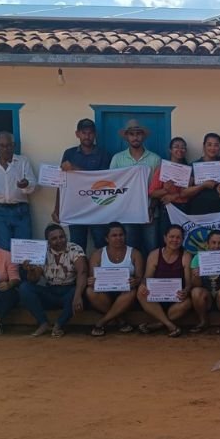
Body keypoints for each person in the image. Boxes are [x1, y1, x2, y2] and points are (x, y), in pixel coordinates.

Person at [19, 223, 88, 337]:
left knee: (81, 291)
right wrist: (30, 270)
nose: (59, 240)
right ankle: (43, 323)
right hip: (50, 291)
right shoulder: (41, 251)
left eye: (62, 236)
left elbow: (82, 272)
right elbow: (34, 280)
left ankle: (58, 325)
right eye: (54, 238)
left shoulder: (75, 248)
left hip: (69, 290)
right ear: (48, 241)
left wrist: (78, 296)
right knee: (25, 288)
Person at [55, 118, 112, 251]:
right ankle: (79, 272)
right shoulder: (69, 153)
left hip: (98, 207)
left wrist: (75, 168)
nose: (87, 136)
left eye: (90, 133)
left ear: (95, 134)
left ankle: (99, 271)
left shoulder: (104, 154)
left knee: (101, 244)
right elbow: (61, 182)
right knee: (77, 246)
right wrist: (57, 207)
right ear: (77, 134)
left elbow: (102, 181)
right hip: (76, 207)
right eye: (84, 133)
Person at [109, 119, 162, 256]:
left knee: (151, 248)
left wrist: (151, 208)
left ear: (143, 136)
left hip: (149, 211)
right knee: (129, 249)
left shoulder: (155, 159)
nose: (135, 137)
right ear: (127, 137)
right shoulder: (118, 159)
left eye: (138, 134)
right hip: (126, 213)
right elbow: (112, 185)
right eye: (131, 134)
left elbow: (158, 187)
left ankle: (148, 277)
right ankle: (133, 277)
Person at [0, 131, 36, 252]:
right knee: (3, 250)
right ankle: (8, 272)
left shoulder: (23, 161)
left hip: (21, 210)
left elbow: (33, 185)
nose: (6, 149)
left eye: (9, 145)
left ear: (14, 145)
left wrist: (26, 184)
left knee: (24, 249)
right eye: (2, 146)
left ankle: (22, 272)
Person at [85, 222, 144, 336]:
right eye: (114, 235)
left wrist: (135, 281)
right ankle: (120, 320)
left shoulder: (135, 253)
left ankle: (102, 322)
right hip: (105, 294)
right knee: (89, 291)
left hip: (125, 293)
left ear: (125, 236)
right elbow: (92, 279)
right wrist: (91, 281)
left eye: (121, 235)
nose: (118, 238)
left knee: (131, 292)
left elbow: (140, 278)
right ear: (107, 238)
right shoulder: (97, 254)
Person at [136, 225, 193, 337]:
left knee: (188, 303)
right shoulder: (154, 254)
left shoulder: (186, 256)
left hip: (176, 298)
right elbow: (147, 277)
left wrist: (185, 291)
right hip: (156, 297)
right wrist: (143, 285)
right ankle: (170, 325)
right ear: (165, 238)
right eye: (171, 237)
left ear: (182, 240)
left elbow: (189, 282)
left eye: (178, 237)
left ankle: (157, 324)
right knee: (140, 292)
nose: (174, 240)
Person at [189, 229, 220, 334]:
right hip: (207, 297)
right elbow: (196, 285)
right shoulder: (197, 258)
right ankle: (203, 321)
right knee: (196, 292)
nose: (216, 246)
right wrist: (196, 276)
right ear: (207, 244)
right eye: (213, 242)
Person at [149, 136, 192, 236]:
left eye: (183, 147)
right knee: (167, 239)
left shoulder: (189, 170)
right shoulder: (162, 169)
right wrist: (165, 190)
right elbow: (152, 193)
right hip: (167, 210)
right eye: (176, 147)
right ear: (170, 150)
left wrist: (174, 196)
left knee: (184, 238)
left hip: (185, 209)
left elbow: (193, 193)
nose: (180, 150)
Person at [187, 132, 220, 215]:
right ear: (204, 146)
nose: (213, 148)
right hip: (199, 211)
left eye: (216, 145)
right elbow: (184, 193)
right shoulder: (194, 165)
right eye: (209, 144)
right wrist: (202, 186)